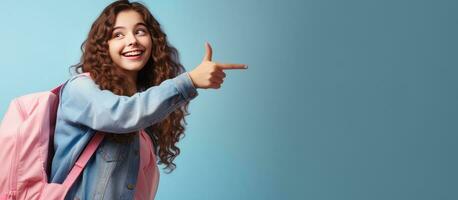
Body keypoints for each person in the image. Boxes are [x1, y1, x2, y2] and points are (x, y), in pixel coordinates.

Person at [49, 0, 247, 199]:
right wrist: (190, 81)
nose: (132, 40)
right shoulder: (80, 89)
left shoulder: (145, 122)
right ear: (104, 46)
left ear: (153, 41)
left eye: (140, 31)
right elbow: (121, 114)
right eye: (118, 34)